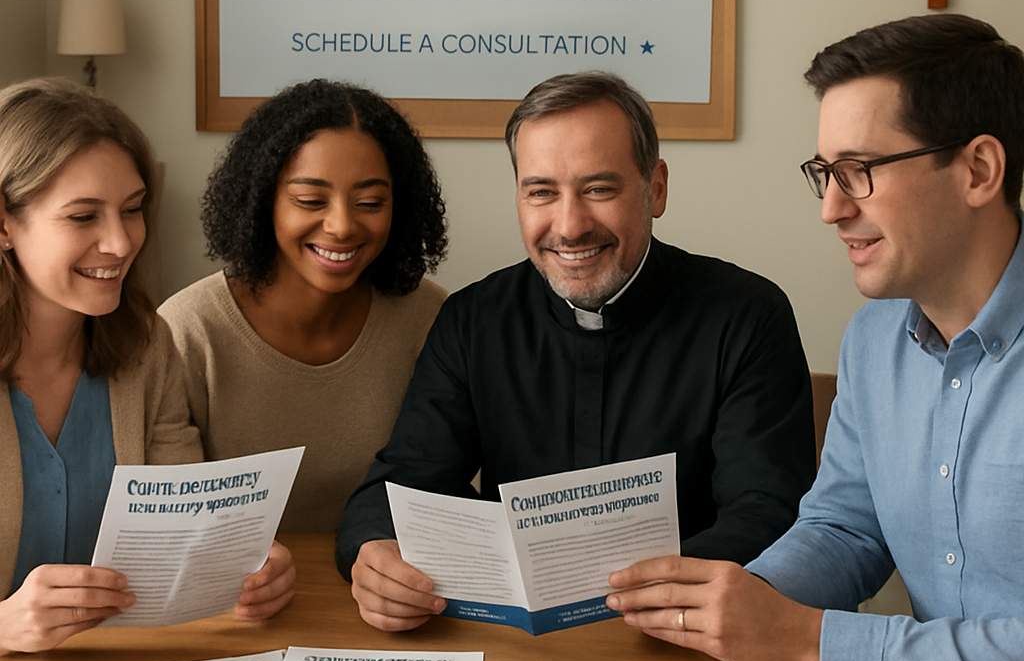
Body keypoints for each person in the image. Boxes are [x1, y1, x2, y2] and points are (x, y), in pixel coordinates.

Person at [605, 14, 1024, 661]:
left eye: (861, 171)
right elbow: (845, 528)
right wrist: (745, 601)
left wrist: (811, 643)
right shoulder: (872, 341)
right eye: (825, 174)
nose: (832, 209)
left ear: (978, 170)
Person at [338, 70, 817, 631]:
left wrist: (623, 595)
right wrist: (378, 554)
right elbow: (400, 487)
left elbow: (768, 514)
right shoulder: (473, 319)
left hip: (689, 640)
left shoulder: (746, 315)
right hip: (515, 647)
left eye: (599, 189)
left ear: (655, 188)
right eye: (541, 192)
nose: (569, 225)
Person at [0, 77, 294, 654]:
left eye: (132, 210)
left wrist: (244, 562)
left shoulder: (146, 345)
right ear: (5, 224)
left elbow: (181, 524)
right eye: (83, 216)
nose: (120, 242)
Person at [159, 79, 448, 533]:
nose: (341, 225)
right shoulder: (187, 332)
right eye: (310, 200)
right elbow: (172, 525)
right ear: (262, 201)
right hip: (238, 597)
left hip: (391, 591)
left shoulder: (431, 319)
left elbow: (447, 493)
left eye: (370, 202)